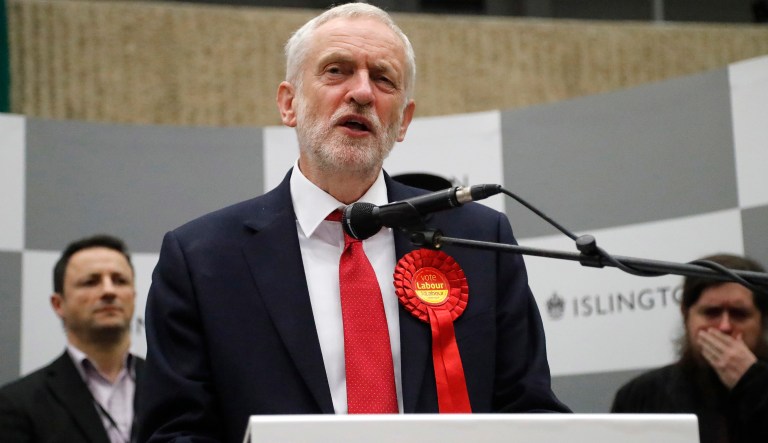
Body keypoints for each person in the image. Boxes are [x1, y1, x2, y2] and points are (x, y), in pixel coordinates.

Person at [138, 3, 568, 442]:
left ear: (403, 121)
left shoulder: (478, 239)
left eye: (383, 79)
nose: (362, 92)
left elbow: (529, 410)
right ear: (289, 103)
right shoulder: (201, 259)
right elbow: (174, 432)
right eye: (336, 71)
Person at [0, 234, 144, 443]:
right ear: (58, 304)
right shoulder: (17, 403)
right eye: (91, 282)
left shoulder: (171, 387)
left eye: (119, 280)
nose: (109, 291)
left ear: (134, 296)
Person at [612, 253, 768, 443]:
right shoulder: (641, 394)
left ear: (762, 320)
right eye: (712, 312)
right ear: (686, 315)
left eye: (739, 314)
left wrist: (753, 382)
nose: (724, 326)